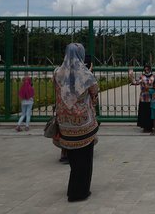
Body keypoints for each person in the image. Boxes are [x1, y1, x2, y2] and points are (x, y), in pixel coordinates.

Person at [53, 43, 99, 202]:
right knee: (85, 159)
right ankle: (80, 191)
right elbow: (94, 93)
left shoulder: (57, 73)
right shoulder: (86, 75)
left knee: (73, 158)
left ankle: (73, 189)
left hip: (65, 123)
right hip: (83, 124)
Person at [130, 64, 155, 132]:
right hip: (143, 97)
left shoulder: (154, 77)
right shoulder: (142, 77)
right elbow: (135, 82)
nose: (146, 71)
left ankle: (151, 126)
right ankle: (145, 126)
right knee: (144, 112)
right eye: (145, 69)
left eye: (148, 69)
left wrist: (150, 88)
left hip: (151, 97)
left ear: (150, 69)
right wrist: (131, 76)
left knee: (150, 112)